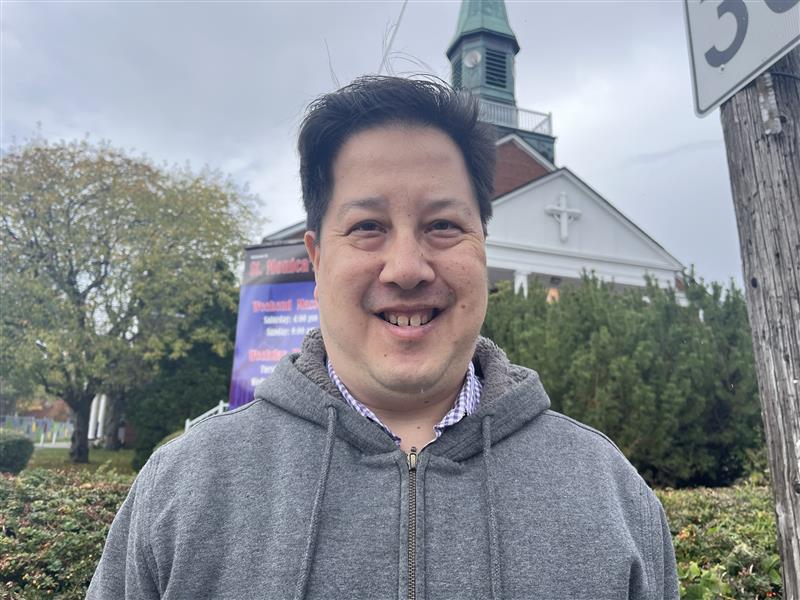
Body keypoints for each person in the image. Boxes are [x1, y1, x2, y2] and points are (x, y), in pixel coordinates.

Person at [88, 76, 679, 600]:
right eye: (368, 226)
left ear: (482, 247)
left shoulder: (609, 493)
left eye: (443, 225)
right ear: (317, 259)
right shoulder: (185, 488)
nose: (406, 267)